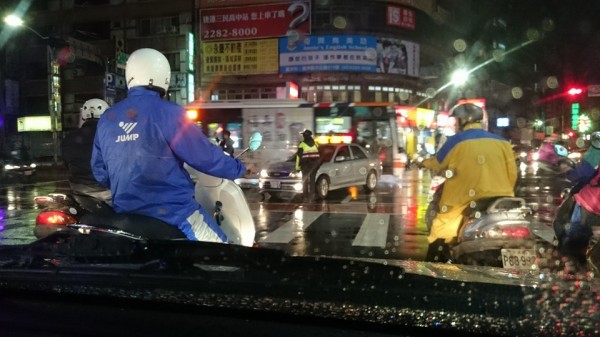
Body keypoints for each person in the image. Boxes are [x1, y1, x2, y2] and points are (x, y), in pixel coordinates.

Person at [91, 48, 246, 242]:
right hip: (174, 213)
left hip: (126, 213)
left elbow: (99, 172)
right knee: (221, 255)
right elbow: (204, 157)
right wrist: (239, 168)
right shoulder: (170, 113)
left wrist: (130, 187)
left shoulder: (107, 118)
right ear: (163, 77)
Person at [420, 103, 517, 262]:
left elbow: (437, 163)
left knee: (441, 228)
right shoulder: (503, 143)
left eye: (457, 120)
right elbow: (512, 174)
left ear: (464, 120)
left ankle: (434, 271)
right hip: (501, 201)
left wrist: (423, 163)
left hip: (464, 201)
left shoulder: (455, 141)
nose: (456, 124)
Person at [554, 135, 600, 264]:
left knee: (571, 248)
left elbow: (584, 172)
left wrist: (570, 174)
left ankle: (570, 270)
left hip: (591, 207)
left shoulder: (598, 147)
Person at [62, 98, 112, 205]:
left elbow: (66, 163)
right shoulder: (111, 136)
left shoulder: (70, 137)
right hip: (105, 190)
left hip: (78, 189)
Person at [295, 129, 321, 203]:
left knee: (305, 182)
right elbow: (319, 155)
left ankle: (305, 198)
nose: (303, 136)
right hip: (314, 166)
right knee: (312, 181)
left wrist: (297, 167)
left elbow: (298, 157)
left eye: (303, 135)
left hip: (305, 166)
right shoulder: (315, 144)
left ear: (305, 136)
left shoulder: (302, 145)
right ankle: (311, 197)